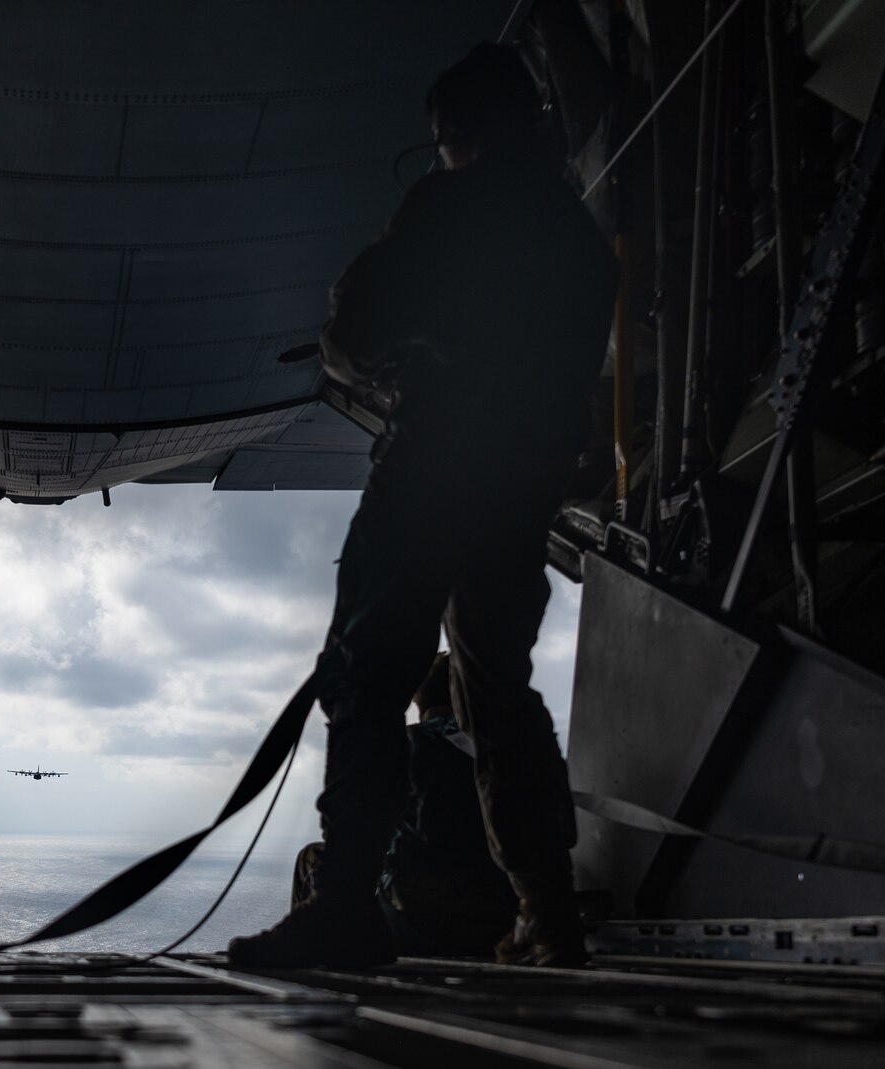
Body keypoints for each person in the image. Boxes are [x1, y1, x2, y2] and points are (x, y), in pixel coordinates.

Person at [230, 43, 615, 969]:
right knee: (499, 697)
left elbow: (354, 332)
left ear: (463, 133)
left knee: (367, 675)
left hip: (431, 475)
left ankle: (349, 906)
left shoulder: (455, 204)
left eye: (445, 141)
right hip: (518, 497)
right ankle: (546, 913)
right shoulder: (581, 243)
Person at [287, 654, 518, 959]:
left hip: (415, 925)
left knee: (314, 858)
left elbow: (356, 833)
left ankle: (313, 950)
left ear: (418, 701)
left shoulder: (406, 745)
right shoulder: (511, 755)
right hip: (499, 926)